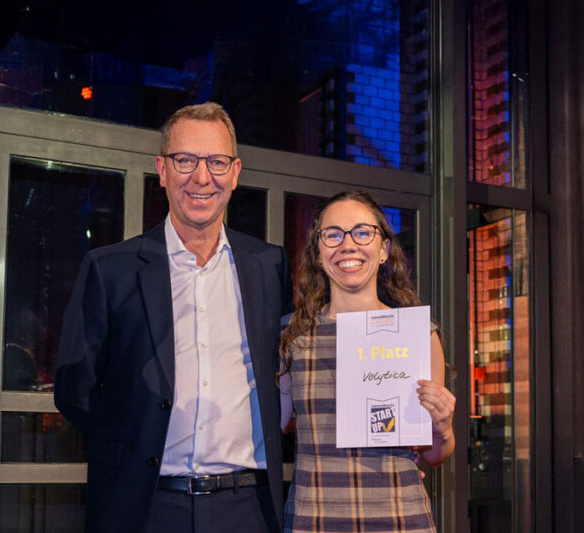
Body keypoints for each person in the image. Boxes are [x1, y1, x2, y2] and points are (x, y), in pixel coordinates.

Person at [54, 102, 291, 533]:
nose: (202, 177)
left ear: (235, 173)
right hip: (145, 508)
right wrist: (136, 433)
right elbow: (75, 389)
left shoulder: (271, 267)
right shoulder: (110, 269)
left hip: (250, 508)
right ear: (162, 171)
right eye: (185, 160)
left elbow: (299, 368)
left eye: (217, 162)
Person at [278, 191, 456, 532]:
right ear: (318, 252)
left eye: (362, 232)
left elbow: (433, 454)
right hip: (313, 521)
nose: (348, 245)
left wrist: (444, 428)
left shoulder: (417, 335)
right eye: (333, 234)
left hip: (400, 519)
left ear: (384, 249)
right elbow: (277, 427)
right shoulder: (292, 333)